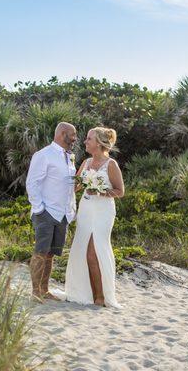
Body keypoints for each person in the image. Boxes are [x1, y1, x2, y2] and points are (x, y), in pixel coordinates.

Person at [64, 127, 125, 308]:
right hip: (86, 209)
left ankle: (100, 297)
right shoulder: (86, 162)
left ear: (98, 143)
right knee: (83, 250)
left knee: (95, 251)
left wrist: (100, 191)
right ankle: (87, 294)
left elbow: (120, 191)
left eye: (89, 139)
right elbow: (74, 186)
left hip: (103, 211)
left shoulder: (111, 164)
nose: (85, 142)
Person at [25, 122, 77, 302]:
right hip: (46, 212)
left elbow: (69, 186)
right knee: (40, 252)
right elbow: (32, 183)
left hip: (63, 214)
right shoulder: (44, 155)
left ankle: (44, 290)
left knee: (50, 254)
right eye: (73, 134)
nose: (75, 138)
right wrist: (40, 208)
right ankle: (35, 292)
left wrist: (71, 210)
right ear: (62, 134)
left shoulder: (69, 157)